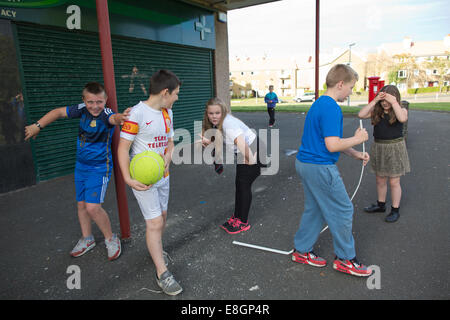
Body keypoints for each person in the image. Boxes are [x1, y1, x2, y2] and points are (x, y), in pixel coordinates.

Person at [24, 82, 130, 261]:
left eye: (99, 102)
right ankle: (87, 238)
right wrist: (38, 125)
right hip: (81, 166)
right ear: (84, 100)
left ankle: (111, 239)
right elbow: (57, 112)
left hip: (99, 168)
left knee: (93, 207)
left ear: (105, 100)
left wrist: (121, 118)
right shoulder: (81, 110)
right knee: (81, 205)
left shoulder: (106, 114)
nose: (95, 106)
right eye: (90, 102)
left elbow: (115, 118)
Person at [292, 64, 372, 277]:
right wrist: (359, 138)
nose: (351, 92)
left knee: (316, 209)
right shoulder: (331, 108)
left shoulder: (320, 104)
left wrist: (355, 153)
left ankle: (301, 250)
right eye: (351, 87)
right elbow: (332, 145)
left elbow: (328, 141)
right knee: (343, 209)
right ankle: (346, 259)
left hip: (305, 163)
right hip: (319, 167)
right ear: (340, 84)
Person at [117, 69, 182, 296]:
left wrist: (167, 157)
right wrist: (128, 178)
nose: (176, 98)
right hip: (142, 181)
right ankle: (162, 273)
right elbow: (123, 148)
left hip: (163, 177)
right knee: (154, 223)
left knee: (162, 219)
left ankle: (156, 249)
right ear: (165, 92)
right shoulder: (137, 114)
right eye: (175, 94)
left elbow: (170, 143)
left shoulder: (167, 113)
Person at [200, 97, 264, 234]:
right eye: (211, 113)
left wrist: (252, 162)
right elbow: (220, 139)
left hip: (250, 151)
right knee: (240, 184)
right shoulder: (218, 123)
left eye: (217, 113)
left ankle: (242, 222)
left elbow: (242, 144)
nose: (214, 116)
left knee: (243, 184)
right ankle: (237, 217)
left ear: (223, 111)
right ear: (207, 113)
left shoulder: (229, 124)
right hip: (245, 151)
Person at [358, 85, 410, 223]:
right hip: (379, 146)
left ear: (395, 99)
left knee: (394, 181)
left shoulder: (401, 110)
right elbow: (361, 114)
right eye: (383, 100)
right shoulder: (377, 111)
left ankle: (395, 209)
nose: (384, 103)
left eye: (387, 100)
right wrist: (375, 101)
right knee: (380, 179)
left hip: (395, 148)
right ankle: (381, 205)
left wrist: (394, 102)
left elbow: (402, 118)